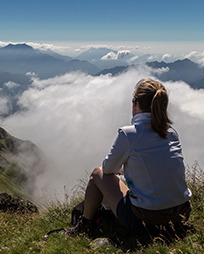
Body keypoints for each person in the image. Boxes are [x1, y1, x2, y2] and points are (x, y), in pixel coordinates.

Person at [69, 78, 192, 236]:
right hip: (181, 215)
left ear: (135, 103)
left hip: (147, 222)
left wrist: (124, 167)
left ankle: (85, 225)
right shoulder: (171, 133)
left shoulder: (129, 134)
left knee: (97, 174)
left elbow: (108, 169)